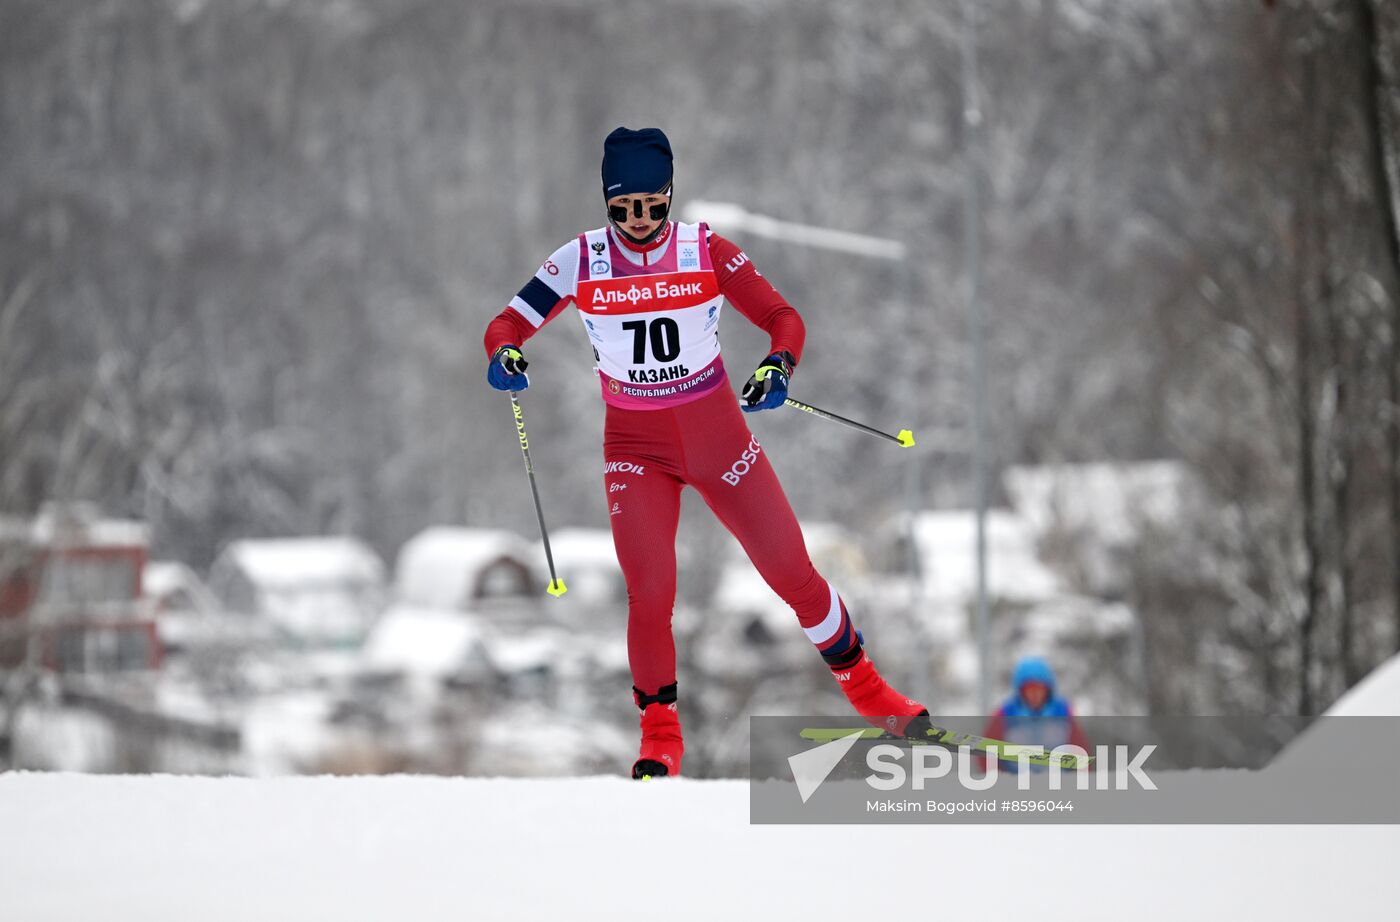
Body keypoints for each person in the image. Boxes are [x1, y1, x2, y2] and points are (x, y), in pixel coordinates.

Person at [482, 126, 928, 778]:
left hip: (719, 440)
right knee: (650, 590)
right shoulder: (578, 261)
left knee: (792, 574)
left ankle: (869, 692)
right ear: (606, 204)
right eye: (623, 209)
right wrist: (505, 353)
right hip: (636, 448)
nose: (639, 223)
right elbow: (507, 323)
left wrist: (779, 366)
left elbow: (784, 318)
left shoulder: (705, 250)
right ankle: (660, 735)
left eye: (653, 206)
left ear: (670, 195)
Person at [981, 655, 1091, 771]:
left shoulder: (1062, 712)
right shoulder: (1006, 714)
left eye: (1039, 689)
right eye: (1030, 690)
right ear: (1021, 691)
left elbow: (1080, 750)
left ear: (1048, 690)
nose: (1035, 694)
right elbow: (986, 754)